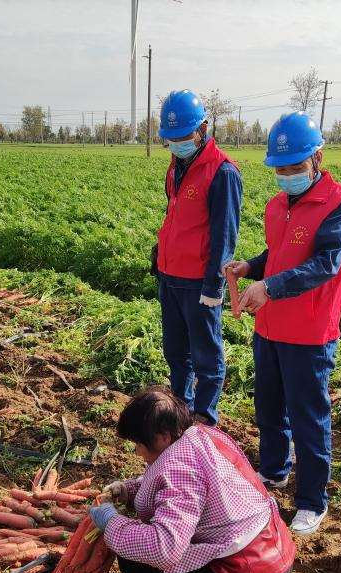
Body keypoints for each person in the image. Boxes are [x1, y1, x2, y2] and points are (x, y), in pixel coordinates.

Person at [223, 112, 341, 536]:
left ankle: (311, 501)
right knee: (268, 409)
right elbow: (280, 255)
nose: (286, 176)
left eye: (294, 168)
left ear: (317, 158)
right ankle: (274, 471)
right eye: (280, 169)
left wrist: (270, 287)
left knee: (308, 419)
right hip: (270, 327)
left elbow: (325, 264)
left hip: (309, 333)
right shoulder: (278, 205)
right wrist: (251, 267)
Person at [87, 387, 295, 573]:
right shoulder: (200, 436)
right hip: (271, 566)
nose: (137, 452)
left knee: (136, 557)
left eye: (138, 444)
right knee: (141, 543)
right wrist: (130, 490)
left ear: (162, 437)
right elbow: (185, 493)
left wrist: (112, 523)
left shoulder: (179, 470)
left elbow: (163, 548)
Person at [152, 89, 243, 427]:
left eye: (183, 136)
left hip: (198, 282)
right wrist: (160, 254)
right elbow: (175, 214)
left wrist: (213, 285)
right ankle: (181, 412)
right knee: (176, 353)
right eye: (170, 138)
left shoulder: (222, 172)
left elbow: (225, 234)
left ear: (203, 129)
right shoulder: (176, 165)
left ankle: (204, 417)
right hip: (171, 275)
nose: (176, 143)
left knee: (206, 355)